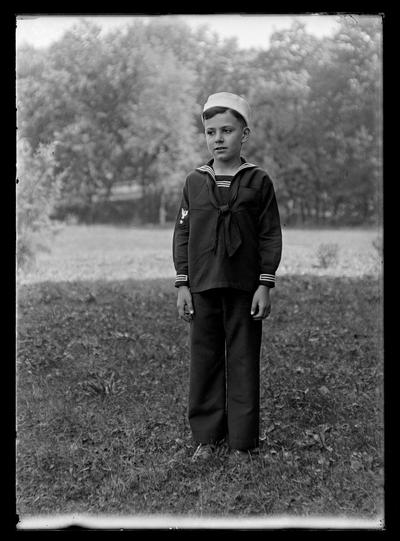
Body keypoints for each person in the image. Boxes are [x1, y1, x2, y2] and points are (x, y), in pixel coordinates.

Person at [172, 92, 282, 461]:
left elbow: (269, 233)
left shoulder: (258, 180)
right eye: (210, 131)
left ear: (244, 134)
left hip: (244, 287)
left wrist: (264, 284)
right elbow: (183, 234)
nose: (218, 138)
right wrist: (183, 282)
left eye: (227, 130)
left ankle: (242, 442)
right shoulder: (195, 181)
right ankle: (206, 438)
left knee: (243, 361)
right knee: (204, 362)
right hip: (203, 286)